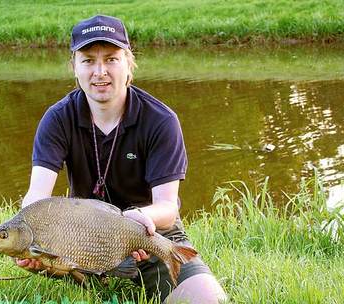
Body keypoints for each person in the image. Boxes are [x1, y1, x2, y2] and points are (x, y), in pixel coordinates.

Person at [16, 15, 227, 304]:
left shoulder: (161, 120)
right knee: (30, 251)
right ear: (74, 67)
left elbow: (166, 207)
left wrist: (140, 220)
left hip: (150, 233)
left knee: (208, 300)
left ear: (128, 63)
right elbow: (36, 196)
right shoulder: (57, 119)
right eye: (88, 60)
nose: (100, 72)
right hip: (84, 237)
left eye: (112, 59)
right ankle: (97, 277)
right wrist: (29, 237)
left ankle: (138, 273)